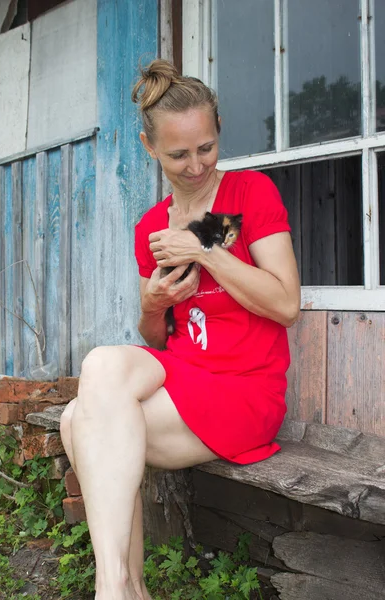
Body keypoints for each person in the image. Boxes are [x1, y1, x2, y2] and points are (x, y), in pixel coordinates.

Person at [59, 59, 301, 600]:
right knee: (100, 368)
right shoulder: (151, 225)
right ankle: (121, 585)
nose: (196, 166)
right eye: (178, 154)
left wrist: (206, 250)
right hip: (184, 376)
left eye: (207, 147)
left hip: (245, 390)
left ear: (217, 132)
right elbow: (158, 338)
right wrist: (151, 304)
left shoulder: (249, 196)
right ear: (149, 146)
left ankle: (120, 588)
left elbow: (287, 305)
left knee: (81, 420)